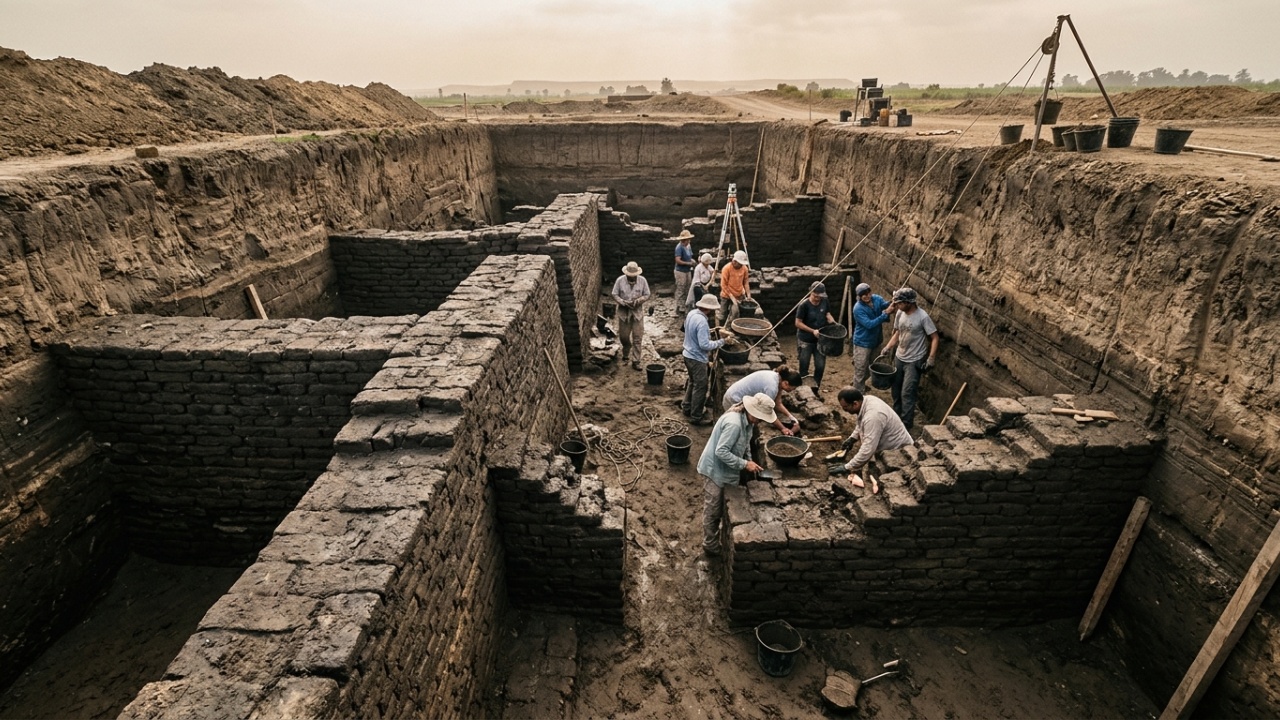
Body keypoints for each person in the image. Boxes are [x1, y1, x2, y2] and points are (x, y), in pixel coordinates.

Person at [696, 392, 775, 555]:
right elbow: (721, 451)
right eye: (760, 417)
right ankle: (709, 545)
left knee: (721, 507)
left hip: (727, 469)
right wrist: (745, 464)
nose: (761, 420)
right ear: (752, 411)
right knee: (713, 510)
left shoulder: (749, 422)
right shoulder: (734, 424)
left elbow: (745, 444)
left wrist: (750, 460)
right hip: (714, 470)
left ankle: (718, 538)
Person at [882, 287, 939, 430]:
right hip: (899, 357)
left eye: (900, 303)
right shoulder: (900, 313)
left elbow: (935, 337)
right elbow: (898, 333)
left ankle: (906, 425)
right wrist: (888, 347)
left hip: (914, 360)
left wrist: (931, 358)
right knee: (896, 391)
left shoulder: (923, 317)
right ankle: (896, 418)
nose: (897, 306)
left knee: (907, 393)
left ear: (909, 302)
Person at [837, 388, 914, 488]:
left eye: (846, 407)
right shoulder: (866, 401)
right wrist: (853, 438)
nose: (844, 410)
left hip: (898, 451)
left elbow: (868, 448)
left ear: (855, 403)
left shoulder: (873, 415)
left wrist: (847, 467)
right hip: (887, 446)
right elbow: (861, 422)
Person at [682, 294, 729, 425]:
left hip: (687, 354)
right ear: (709, 309)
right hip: (697, 358)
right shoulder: (702, 321)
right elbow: (704, 345)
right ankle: (696, 416)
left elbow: (689, 330)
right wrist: (722, 341)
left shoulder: (692, 313)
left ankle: (686, 407)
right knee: (701, 386)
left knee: (693, 382)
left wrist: (710, 331)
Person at [722, 367, 802, 436]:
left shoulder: (778, 378)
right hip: (734, 400)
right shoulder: (772, 387)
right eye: (793, 388)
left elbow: (778, 403)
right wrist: (783, 429)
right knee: (738, 430)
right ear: (786, 383)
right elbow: (767, 412)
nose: (793, 390)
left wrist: (791, 417)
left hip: (736, 395)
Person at [794, 281, 836, 394]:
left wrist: (831, 320)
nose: (818, 299)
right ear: (811, 292)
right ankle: (804, 390)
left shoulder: (825, 301)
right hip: (805, 340)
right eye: (815, 296)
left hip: (820, 341)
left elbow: (827, 313)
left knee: (820, 366)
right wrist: (812, 331)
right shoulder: (804, 305)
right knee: (804, 366)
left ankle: (815, 388)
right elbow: (798, 323)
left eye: (820, 296)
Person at [851, 282, 893, 389]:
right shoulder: (858, 308)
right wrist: (885, 314)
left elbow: (885, 305)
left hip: (875, 341)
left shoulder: (877, 299)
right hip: (862, 343)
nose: (867, 296)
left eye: (868, 293)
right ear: (859, 296)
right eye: (863, 295)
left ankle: (858, 384)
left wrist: (893, 302)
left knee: (871, 367)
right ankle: (858, 394)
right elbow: (869, 324)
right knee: (860, 369)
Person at [611, 261, 651, 370]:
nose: (632, 278)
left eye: (634, 276)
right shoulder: (620, 280)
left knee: (637, 338)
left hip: (637, 313)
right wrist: (623, 302)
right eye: (630, 276)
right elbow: (614, 294)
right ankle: (626, 349)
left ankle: (636, 361)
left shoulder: (642, 281)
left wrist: (638, 301)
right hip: (624, 313)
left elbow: (647, 294)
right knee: (624, 337)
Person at [717, 250, 751, 327]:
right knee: (722, 315)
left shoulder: (744, 268)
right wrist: (732, 297)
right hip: (726, 294)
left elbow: (745, 282)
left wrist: (748, 294)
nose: (741, 265)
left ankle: (732, 329)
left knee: (735, 313)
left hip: (738, 294)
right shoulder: (726, 268)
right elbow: (723, 285)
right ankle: (720, 330)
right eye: (740, 263)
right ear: (734, 261)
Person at [673, 230, 696, 313]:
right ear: (683, 240)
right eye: (687, 239)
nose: (689, 241)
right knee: (681, 288)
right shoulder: (679, 247)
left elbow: (690, 256)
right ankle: (679, 306)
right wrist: (688, 263)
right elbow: (678, 260)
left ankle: (686, 303)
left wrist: (692, 261)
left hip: (687, 270)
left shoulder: (688, 246)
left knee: (688, 287)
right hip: (680, 271)